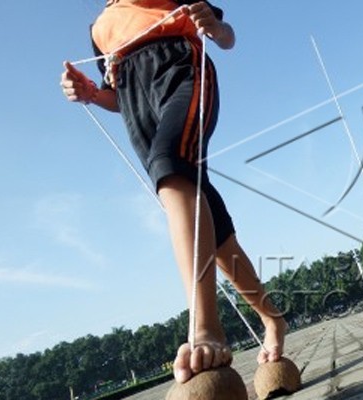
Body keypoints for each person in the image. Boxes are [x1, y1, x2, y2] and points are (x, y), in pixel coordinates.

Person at [60, 0, 286, 383]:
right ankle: (273, 320)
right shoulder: (100, 28)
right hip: (138, 113)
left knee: (171, 166)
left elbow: (226, 37)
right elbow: (115, 94)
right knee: (213, 233)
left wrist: (214, 27)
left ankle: (205, 329)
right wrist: (91, 94)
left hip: (182, 76)